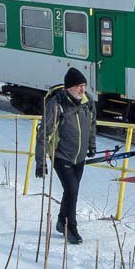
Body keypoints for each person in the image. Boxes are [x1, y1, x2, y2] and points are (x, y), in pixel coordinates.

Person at [34, 67, 96, 245]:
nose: (82, 90)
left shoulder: (87, 102)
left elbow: (92, 125)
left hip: (79, 157)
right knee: (72, 190)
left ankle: (62, 221)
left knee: (71, 191)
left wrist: (91, 146)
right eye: (78, 86)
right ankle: (71, 228)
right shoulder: (57, 104)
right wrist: (41, 162)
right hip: (61, 155)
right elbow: (43, 133)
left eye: (84, 85)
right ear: (69, 88)